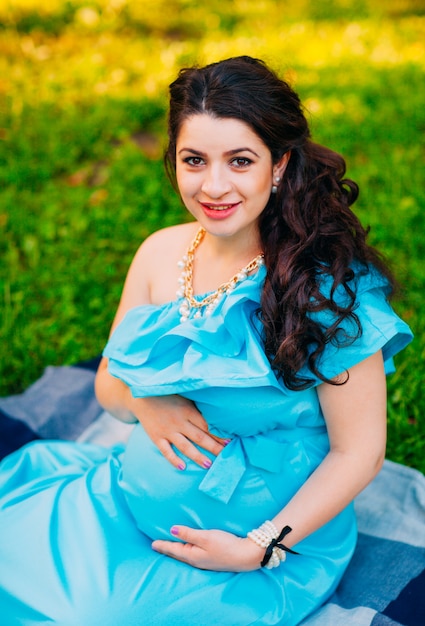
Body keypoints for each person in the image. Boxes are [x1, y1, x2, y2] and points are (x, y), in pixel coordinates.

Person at [0, 56, 413, 625]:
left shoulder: (326, 290)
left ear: (278, 165)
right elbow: (108, 382)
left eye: (240, 161)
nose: (213, 186)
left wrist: (261, 545)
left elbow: (359, 453)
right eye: (194, 160)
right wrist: (147, 402)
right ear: (174, 161)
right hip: (124, 500)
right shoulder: (161, 253)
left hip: (260, 548)